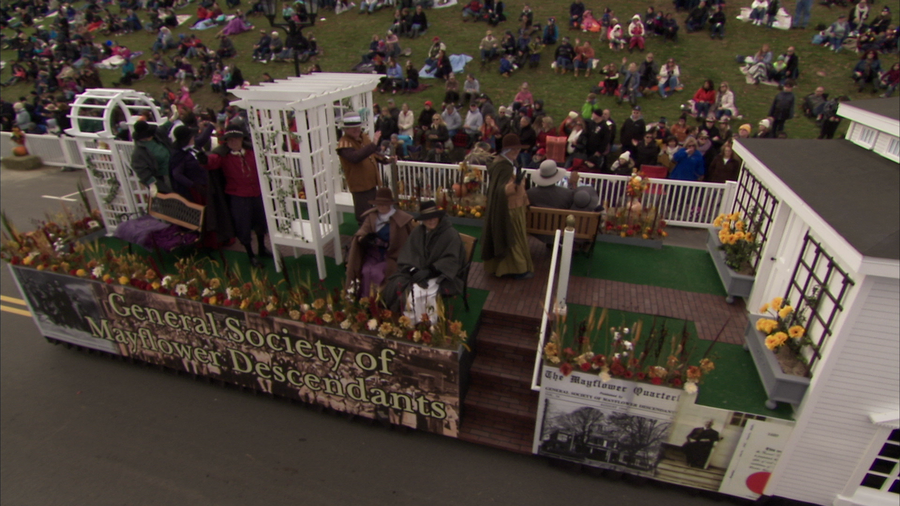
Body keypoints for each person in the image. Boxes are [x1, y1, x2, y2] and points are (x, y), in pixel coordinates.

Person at [382, 200, 466, 323]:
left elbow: (452, 260)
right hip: (419, 271)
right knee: (402, 286)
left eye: (434, 217)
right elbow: (409, 253)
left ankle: (427, 324)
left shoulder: (450, 234)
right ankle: (411, 323)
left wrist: (430, 271)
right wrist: (414, 270)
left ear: (439, 217)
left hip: (442, 275)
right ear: (422, 220)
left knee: (419, 292)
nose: (431, 220)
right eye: (427, 218)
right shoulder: (418, 232)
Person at [206, 126, 270, 268]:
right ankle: (250, 255)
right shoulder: (222, 156)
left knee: (261, 221)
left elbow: (267, 159)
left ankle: (262, 248)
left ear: (242, 139)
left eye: (236, 139)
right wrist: (203, 159)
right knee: (243, 225)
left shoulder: (252, 153)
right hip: (238, 196)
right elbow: (209, 163)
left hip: (257, 193)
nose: (233, 142)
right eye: (230, 140)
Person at [345, 187, 415, 299]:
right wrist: (363, 238)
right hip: (374, 253)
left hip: (391, 255)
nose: (381, 206)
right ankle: (366, 299)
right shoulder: (372, 216)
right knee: (366, 270)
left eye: (384, 204)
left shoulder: (400, 219)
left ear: (390, 204)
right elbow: (363, 231)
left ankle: (379, 299)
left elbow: (407, 240)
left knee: (376, 272)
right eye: (378, 204)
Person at [481, 133, 533, 280]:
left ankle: (514, 268)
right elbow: (500, 190)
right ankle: (518, 269)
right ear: (505, 151)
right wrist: (515, 184)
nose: (516, 152)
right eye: (513, 150)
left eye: (518, 149)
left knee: (515, 237)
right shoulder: (502, 166)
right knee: (512, 238)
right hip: (508, 209)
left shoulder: (508, 164)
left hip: (516, 207)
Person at [337, 114, 388, 224]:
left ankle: (376, 237)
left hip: (372, 183)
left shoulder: (364, 137)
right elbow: (355, 157)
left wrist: (386, 159)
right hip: (359, 186)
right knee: (364, 216)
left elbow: (372, 153)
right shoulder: (344, 143)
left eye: (358, 126)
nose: (356, 129)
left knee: (375, 213)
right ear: (345, 129)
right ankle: (364, 238)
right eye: (352, 127)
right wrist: (373, 144)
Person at [131, 120, 174, 196]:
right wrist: (151, 183)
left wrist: (171, 120)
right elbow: (141, 169)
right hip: (164, 177)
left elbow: (163, 128)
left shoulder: (156, 137)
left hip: (174, 170)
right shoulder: (139, 152)